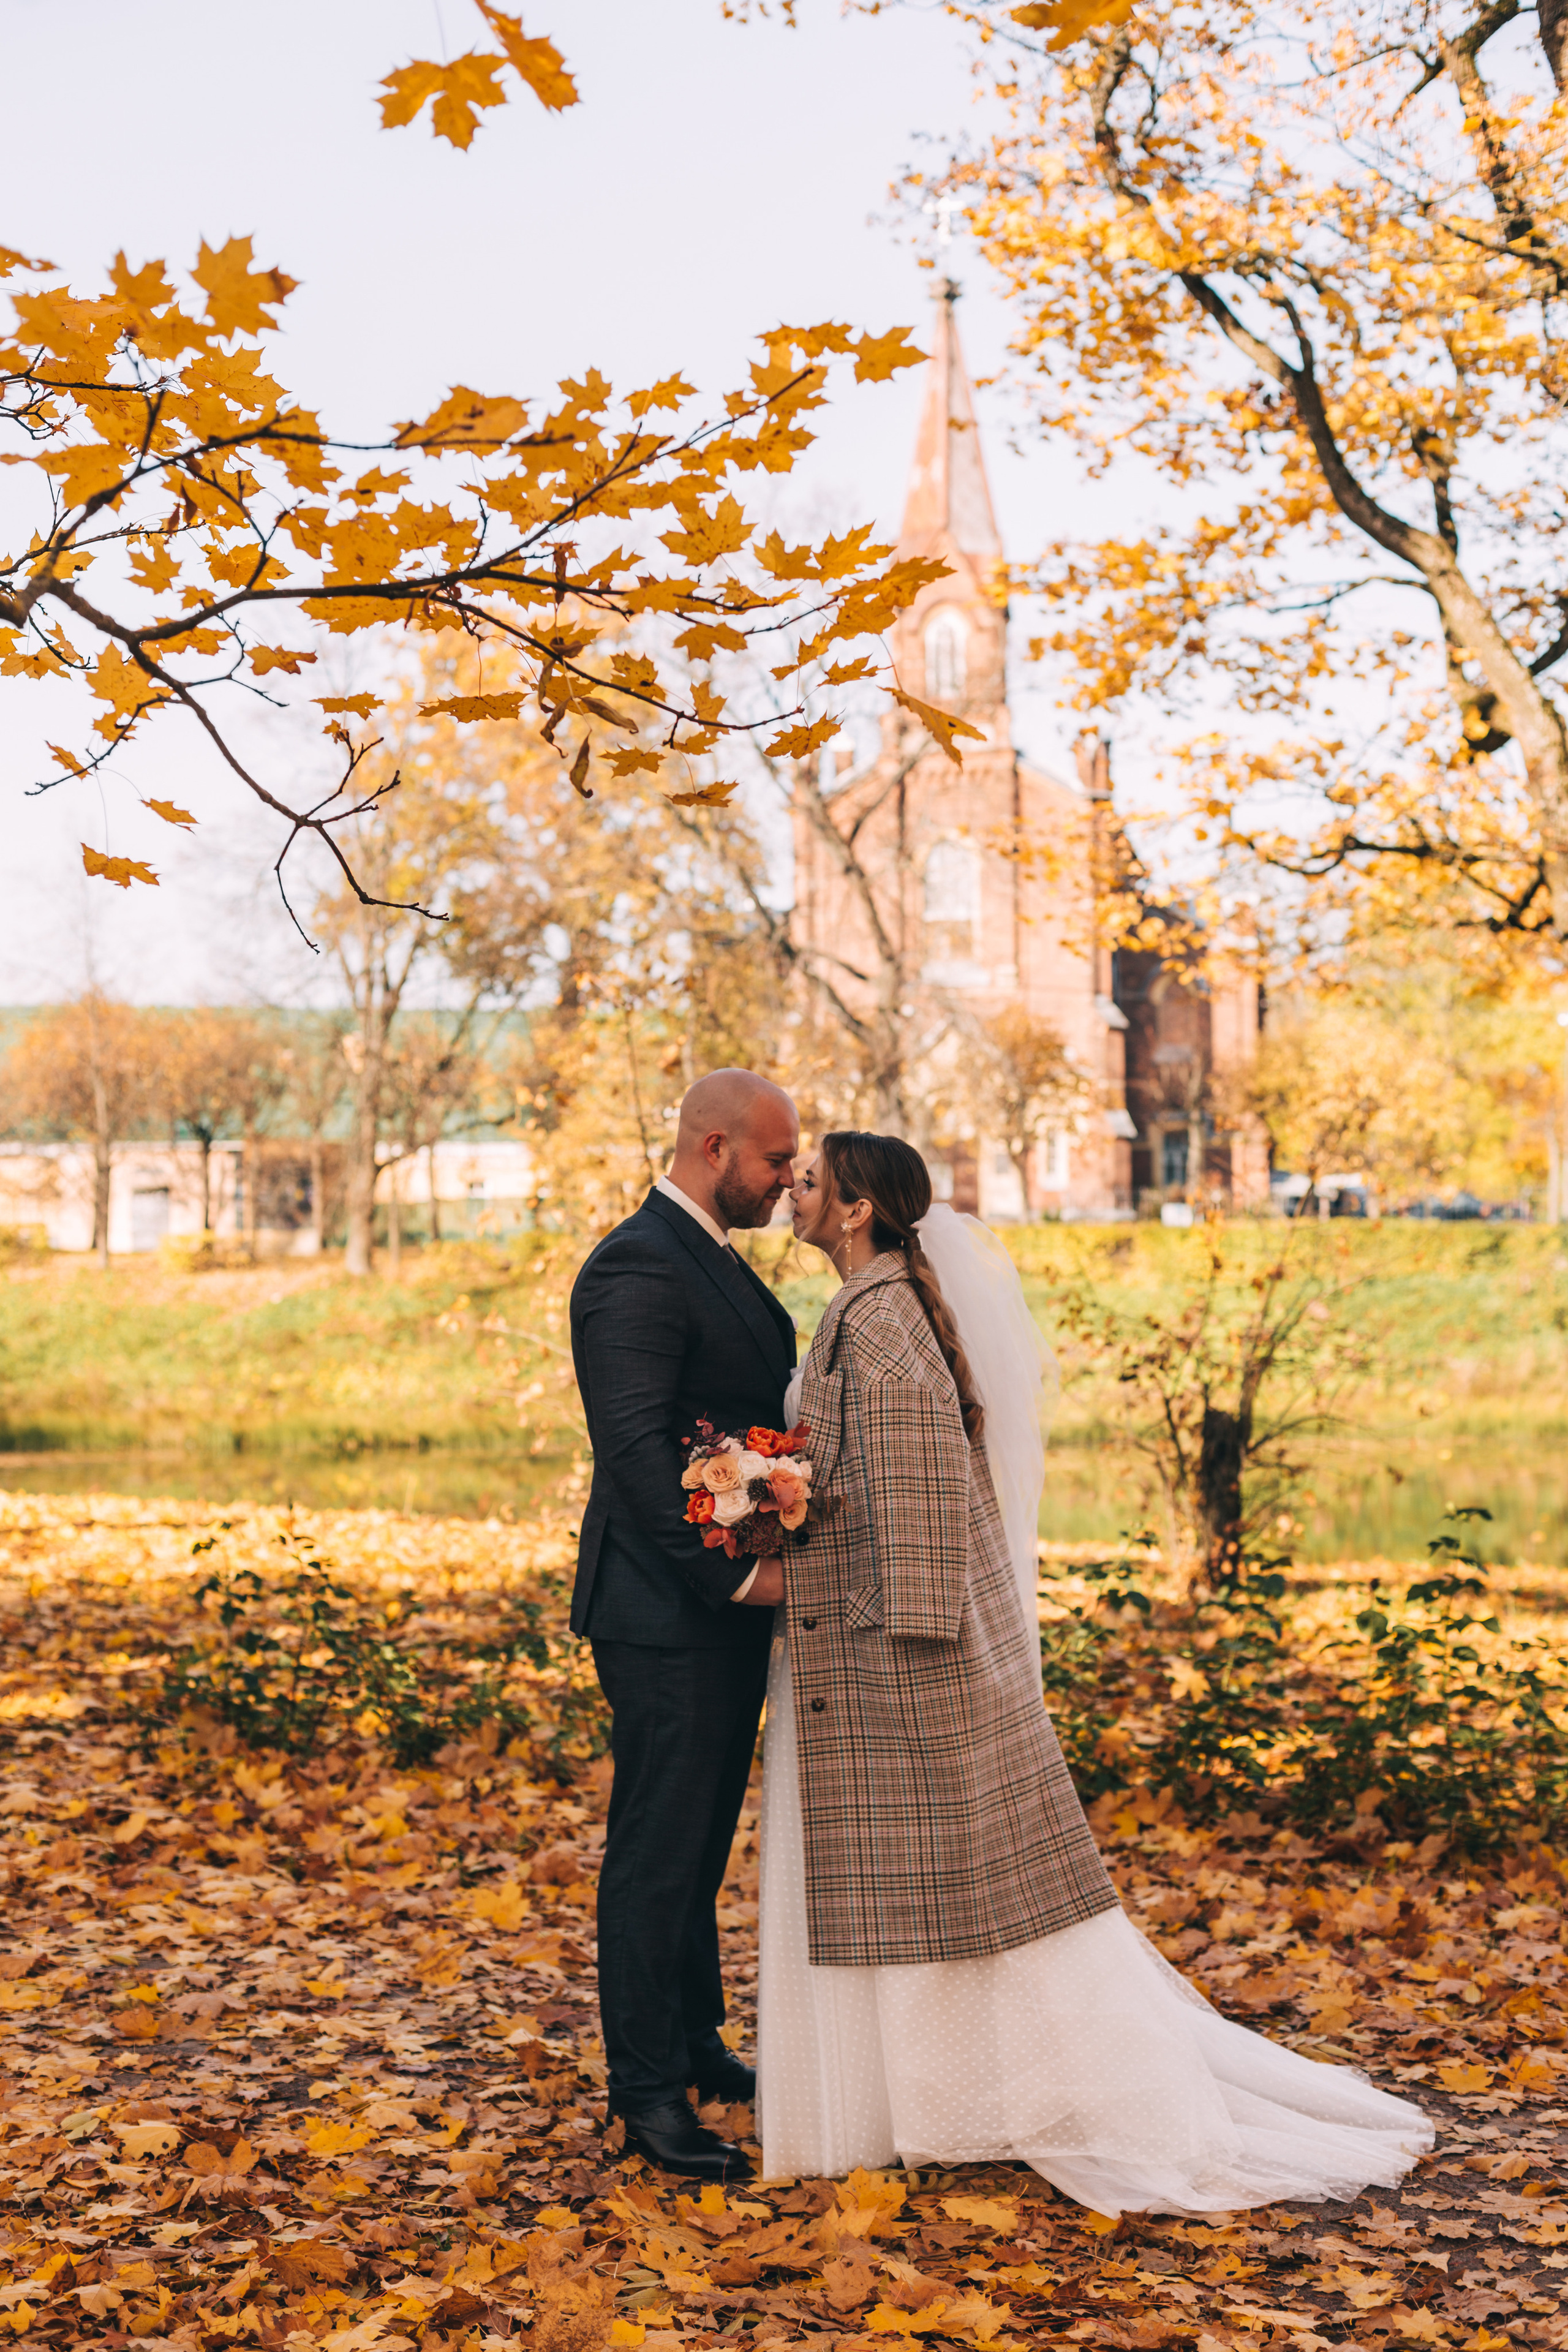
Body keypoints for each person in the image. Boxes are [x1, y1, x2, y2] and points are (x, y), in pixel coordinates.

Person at [757, 1129, 1433, 2214]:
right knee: (924, 1902)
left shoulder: (880, 1324)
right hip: (866, 1645)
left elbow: (922, 1503)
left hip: (894, 1660)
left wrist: (880, 1623)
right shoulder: (868, 1309)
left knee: (953, 1899)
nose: (792, 1188)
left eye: (810, 1178)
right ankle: (923, 2105)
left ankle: (1006, 2101)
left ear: (855, 1210)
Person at [569, 1068, 797, 2183]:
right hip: (665, 1613)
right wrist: (736, 1586)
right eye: (776, 1162)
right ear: (715, 1147)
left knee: (702, 1838)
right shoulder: (633, 1267)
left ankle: (697, 2046)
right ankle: (647, 2092)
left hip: (715, 1607)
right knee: (659, 1850)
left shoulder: (711, 1260)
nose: (788, 1180)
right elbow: (641, 1458)